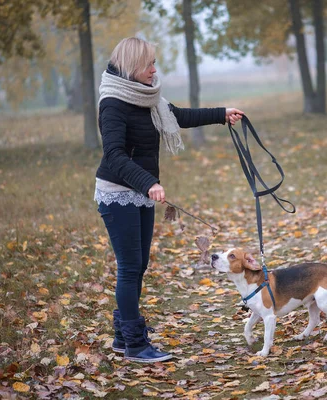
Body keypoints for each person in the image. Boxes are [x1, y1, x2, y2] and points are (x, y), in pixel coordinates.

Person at [94, 37, 244, 363]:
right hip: (118, 194)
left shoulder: (149, 98)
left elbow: (178, 116)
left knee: (139, 266)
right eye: (149, 64)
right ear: (133, 67)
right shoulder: (114, 104)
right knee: (130, 268)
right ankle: (134, 344)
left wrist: (222, 113)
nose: (154, 69)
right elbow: (115, 155)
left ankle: (122, 338)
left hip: (141, 191)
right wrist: (148, 183)